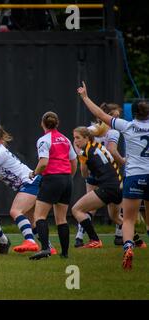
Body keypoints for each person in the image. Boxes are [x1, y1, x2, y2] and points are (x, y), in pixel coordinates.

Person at [77, 81, 149, 270]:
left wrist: (85, 97)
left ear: (132, 113)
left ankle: (128, 247)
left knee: (128, 219)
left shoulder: (127, 126)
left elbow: (100, 115)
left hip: (133, 176)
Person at [74, 103, 125, 247]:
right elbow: (112, 151)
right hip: (108, 173)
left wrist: (82, 157)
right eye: (114, 116)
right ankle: (119, 236)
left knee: (88, 207)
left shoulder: (90, 129)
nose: (116, 119)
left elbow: (76, 141)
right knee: (113, 209)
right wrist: (123, 161)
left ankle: (80, 237)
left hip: (94, 173)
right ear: (105, 115)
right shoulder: (113, 132)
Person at [29, 111, 77, 260]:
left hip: (52, 179)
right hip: (67, 179)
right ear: (57, 123)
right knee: (61, 218)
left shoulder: (44, 140)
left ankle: (45, 249)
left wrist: (34, 173)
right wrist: (68, 177)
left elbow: (43, 163)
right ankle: (65, 253)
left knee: (39, 216)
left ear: (42, 123)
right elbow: (73, 161)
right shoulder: (65, 139)